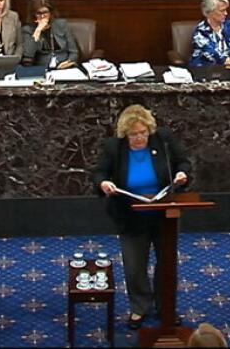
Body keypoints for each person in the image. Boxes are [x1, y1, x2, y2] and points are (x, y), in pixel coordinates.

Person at [92, 105, 190, 330]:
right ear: (125, 134)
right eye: (133, 134)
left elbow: (183, 162)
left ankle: (166, 307)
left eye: (143, 133)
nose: (139, 138)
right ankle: (139, 307)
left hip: (164, 212)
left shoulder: (163, 141)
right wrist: (104, 184)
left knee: (167, 263)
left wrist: (182, 174)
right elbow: (99, 173)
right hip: (130, 214)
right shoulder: (114, 148)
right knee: (135, 266)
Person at [21, 0, 80, 68]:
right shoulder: (28, 29)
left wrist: (68, 62)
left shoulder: (62, 24)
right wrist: (38, 31)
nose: (42, 16)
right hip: (43, 68)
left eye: (45, 12)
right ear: (33, 14)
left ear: (50, 12)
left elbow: (74, 52)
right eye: (39, 13)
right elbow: (28, 55)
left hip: (65, 66)